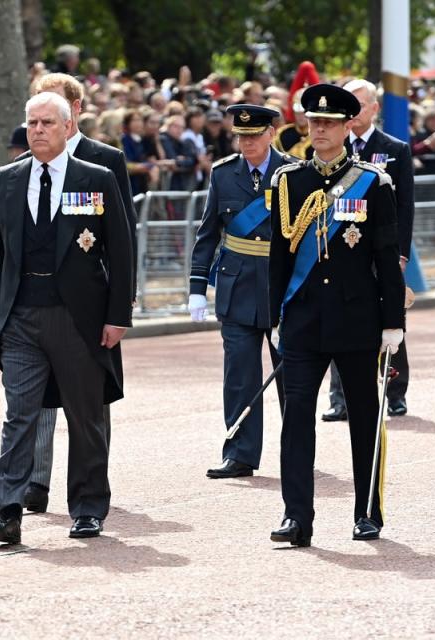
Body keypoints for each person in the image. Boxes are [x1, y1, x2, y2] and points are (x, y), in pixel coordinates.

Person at [0, 91, 134, 544]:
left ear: (68, 127)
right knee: (19, 414)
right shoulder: (8, 179)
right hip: (23, 317)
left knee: (85, 416)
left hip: (78, 317)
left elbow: (121, 251)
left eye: (47, 123)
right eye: (32, 123)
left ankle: (87, 507)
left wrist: (117, 314)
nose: (38, 131)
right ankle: (8, 508)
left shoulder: (97, 177)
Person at [268, 84, 404, 547]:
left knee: (365, 418)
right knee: (296, 420)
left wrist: (392, 322)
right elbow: (279, 259)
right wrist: (273, 315)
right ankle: (295, 516)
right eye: (313, 122)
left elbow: (386, 255)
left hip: (356, 320)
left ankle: (368, 511)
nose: (319, 129)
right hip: (303, 320)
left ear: (348, 126)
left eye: (328, 123)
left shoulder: (372, 181)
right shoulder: (290, 181)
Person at [18, 72, 138, 514]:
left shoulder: (103, 161)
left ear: (74, 114)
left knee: (87, 404)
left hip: (87, 304)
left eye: (52, 113)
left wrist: (122, 300)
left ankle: (89, 487)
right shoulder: (25, 164)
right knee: (33, 404)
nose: (41, 127)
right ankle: (35, 481)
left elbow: (124, 236)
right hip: (37, 307)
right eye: (36, 112)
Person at [188, 104, 290, 478]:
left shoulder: (294, 173)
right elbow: (208, 233)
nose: (246, 142)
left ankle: (296, 448)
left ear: (271, 134)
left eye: (254, 135)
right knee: (240, 375)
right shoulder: (223, 174)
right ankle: (240, 452)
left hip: (283, 290)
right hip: (237, 287)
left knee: (291, 376)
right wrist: (197, 286)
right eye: (241, 136)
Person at [321, 78, 415, 421]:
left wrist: (400, 254)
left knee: (391, 317)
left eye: (361, 104)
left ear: (375, 108)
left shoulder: (395, 149)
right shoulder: (331, 149)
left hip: (381, 250)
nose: (355, 111)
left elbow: (405, 207)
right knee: (336, 320)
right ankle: (339, 396)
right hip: (341, 253)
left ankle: (395, 390)